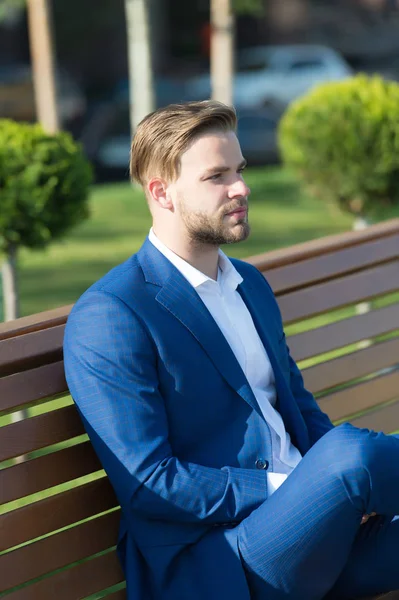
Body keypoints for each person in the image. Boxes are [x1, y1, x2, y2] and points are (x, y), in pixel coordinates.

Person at [63, 100, 399, 600]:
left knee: (346, 458)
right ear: (162, 192)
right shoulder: (114, 313)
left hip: (316, 537)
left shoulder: (250, 285)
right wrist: (296, 487)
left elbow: (300, 410)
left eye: (239, 170)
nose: (241, 188)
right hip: (222, 562)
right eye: (216, 176)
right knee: (350, 455)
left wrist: (323, 496)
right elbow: (149, 482)